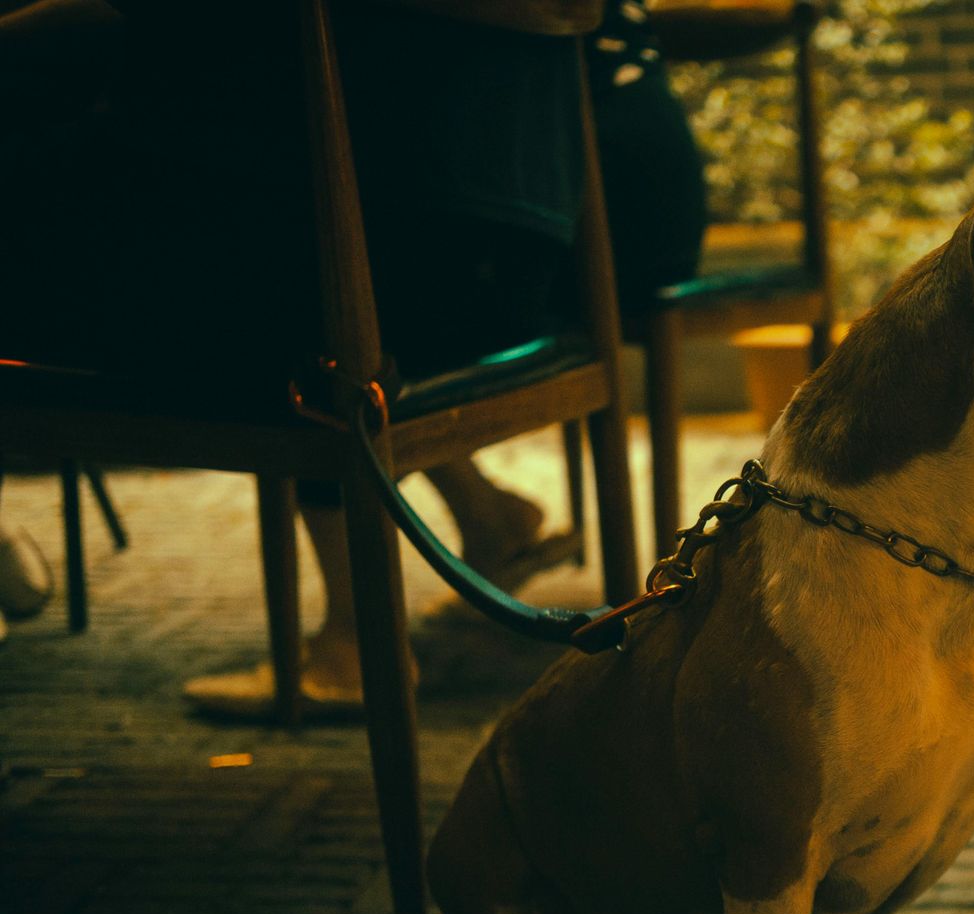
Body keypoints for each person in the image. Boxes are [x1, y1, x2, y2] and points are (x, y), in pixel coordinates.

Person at [0, 0, 706, 715]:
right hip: (516, 245)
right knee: (290, 238)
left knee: (265, 246)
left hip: (372, 262)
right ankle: (486, 520)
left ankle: (357, 642)